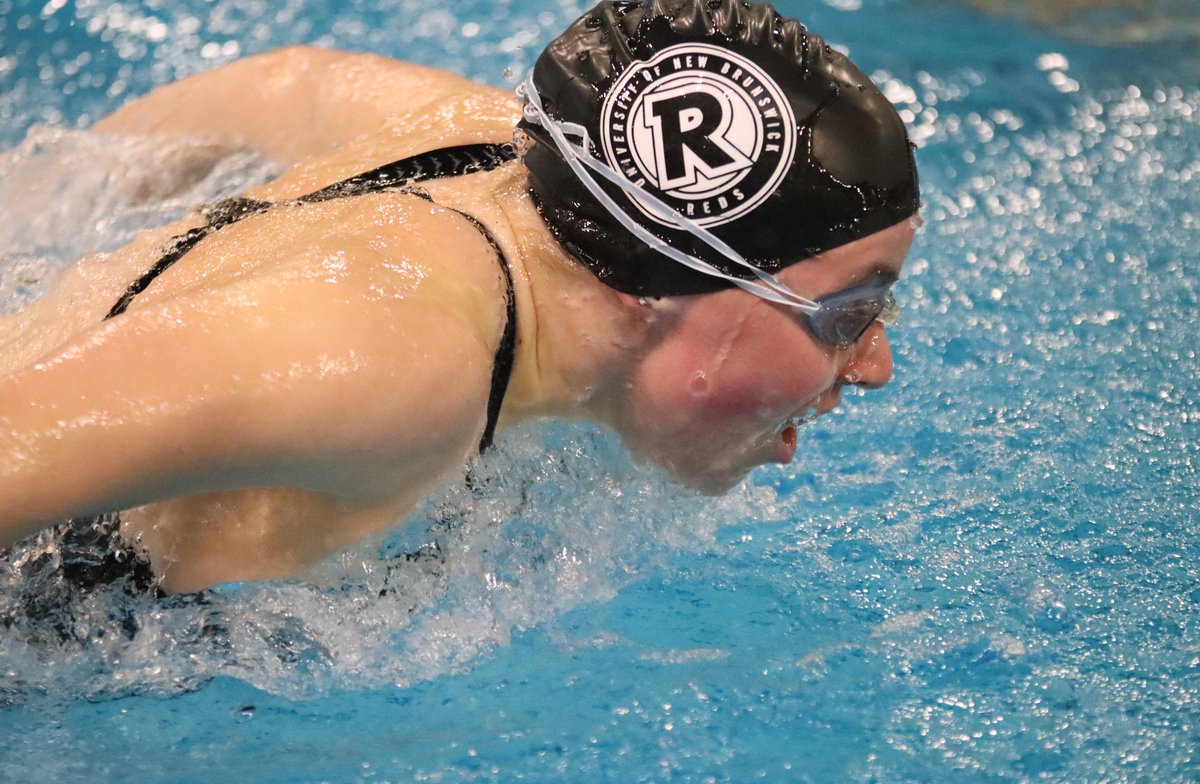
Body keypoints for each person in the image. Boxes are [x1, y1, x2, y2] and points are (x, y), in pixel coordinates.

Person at [0, 0, 920, 595]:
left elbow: (287, 84)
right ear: (656, 284)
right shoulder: (391, 360)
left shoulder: (516, 153)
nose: (875, 366)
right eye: (846, 316)